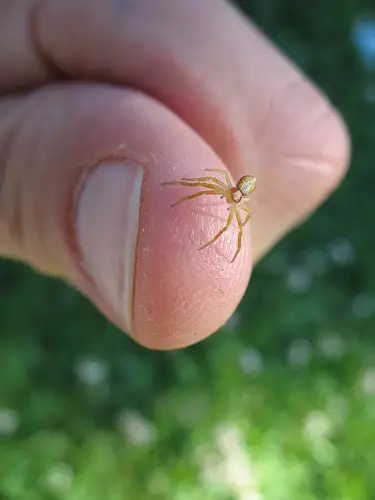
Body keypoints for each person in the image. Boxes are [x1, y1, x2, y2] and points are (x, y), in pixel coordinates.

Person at [0, 0, 350, 349]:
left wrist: (222, 243)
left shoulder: (236, 205)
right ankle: (179, 200)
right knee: (199, 185)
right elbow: (205, 183)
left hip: (236, 198)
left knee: (229, 226)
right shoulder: (222, 186)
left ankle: (214, 246)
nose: (230, 197)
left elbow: (238, 223)